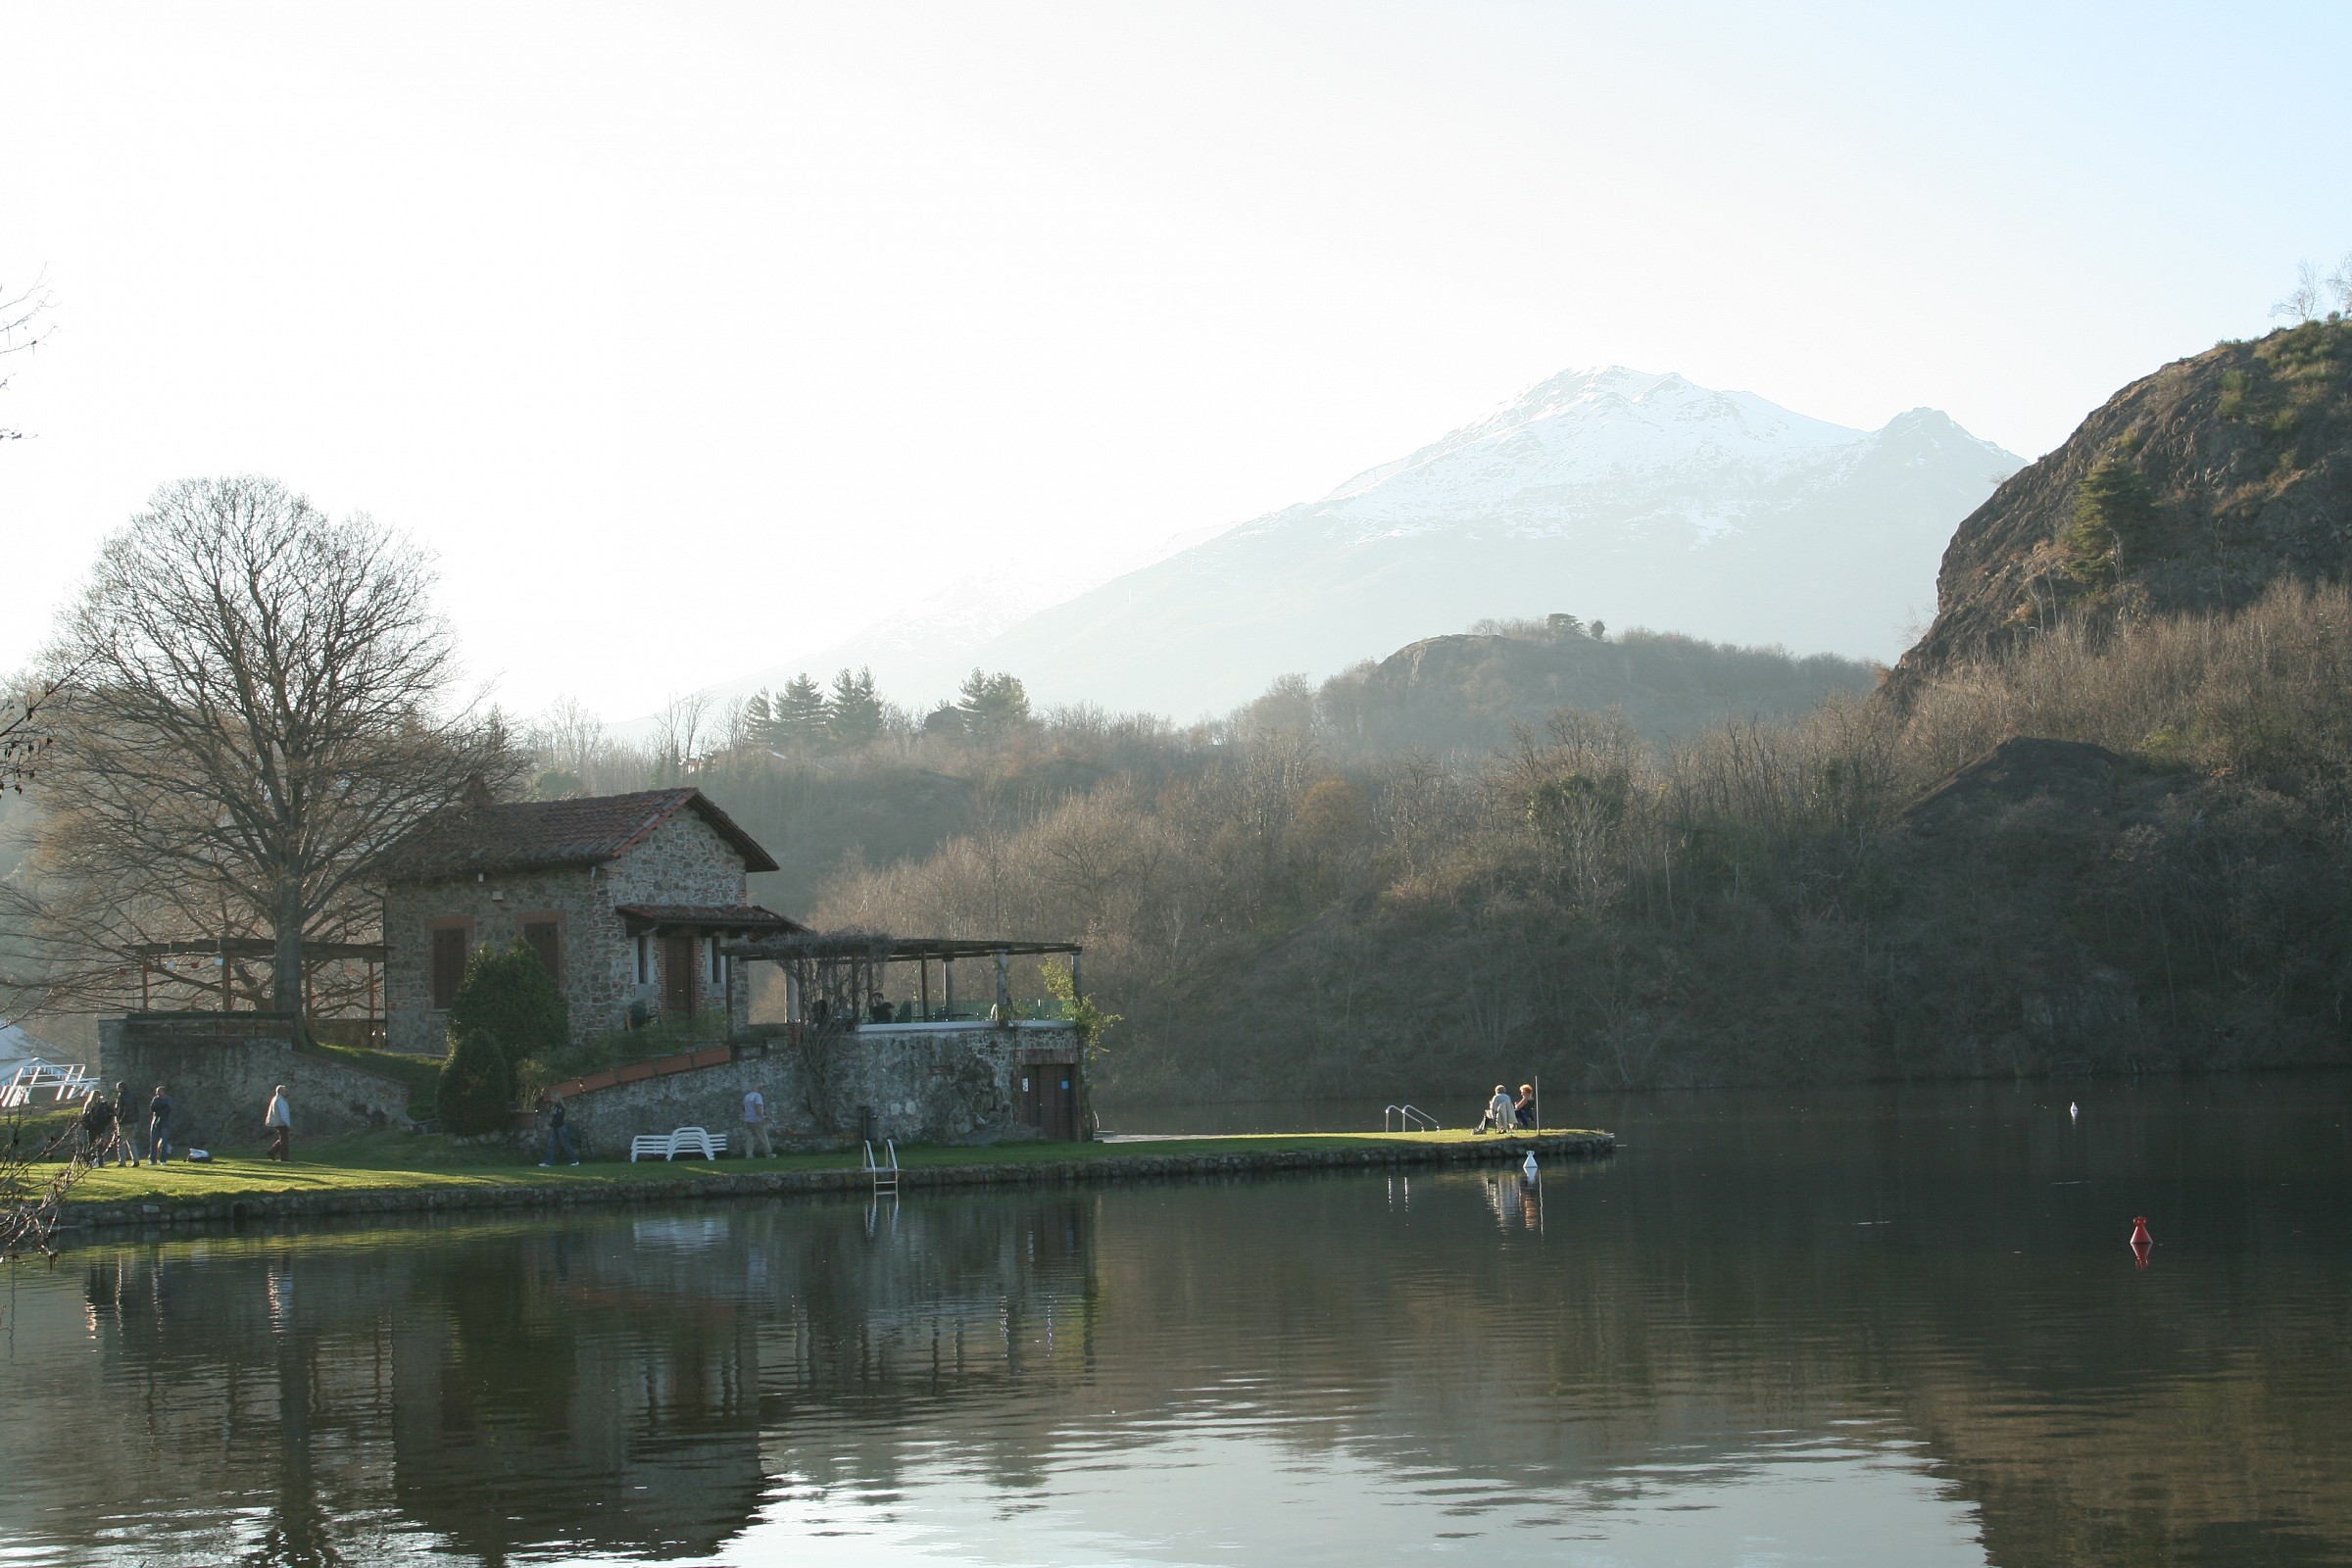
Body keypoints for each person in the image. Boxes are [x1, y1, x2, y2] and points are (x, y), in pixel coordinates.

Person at [538, 1093, 579, 1166]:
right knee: (551, 1144)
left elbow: (558, 1119)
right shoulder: (555, 1107)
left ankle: (575, 1160)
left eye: (552, 1098)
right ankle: (548, 1162)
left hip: (560, 1127)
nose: (551, 1100)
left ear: (556, 1099)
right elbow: (554, 1118)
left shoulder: (560, 1107)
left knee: (565, 1144)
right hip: (555, 1127)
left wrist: (550, 1126)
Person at [77, 1090, 115, 1166]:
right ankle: (97, 1162)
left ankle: (90, 1162)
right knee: (97, 1145)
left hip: (94, 1127)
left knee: (93, 1144)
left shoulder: (91, 1104)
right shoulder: (100, 1105)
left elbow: (84, 1116)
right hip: (97, 1127)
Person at [107, 1080, 138, 1164]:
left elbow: (120, 1110)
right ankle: (136, 1159)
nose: (117, 1089)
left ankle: (122, 1161)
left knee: (121, 1142)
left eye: (118, 1088)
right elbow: (136, 1109)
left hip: (124, 1122)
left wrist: (118, 1120)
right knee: (131, 1141)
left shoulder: (121, 1097)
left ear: (121, 1088)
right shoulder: (132, 1096)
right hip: (133, 1121)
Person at [741, 1087, 774, 1158]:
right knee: (762, 1136)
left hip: (747, 1119)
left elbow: (743, 1107)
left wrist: (748, 1112)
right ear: (759, 1090)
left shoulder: (747, 1096)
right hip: (756, 1119)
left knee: (749, 1138)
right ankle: (768, 1153)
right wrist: (762, 1117)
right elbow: (758, 1106)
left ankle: (749, 1155)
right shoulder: (758, 1096)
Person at [264, 1084, 292, 1161]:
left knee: (283, 1139)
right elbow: (283, 1113)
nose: (286, 1092)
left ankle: (271, 1152)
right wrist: (288, 1124)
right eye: (284, 1091)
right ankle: (284, 1157)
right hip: (281, 1123)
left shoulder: (276, 1099)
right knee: (284, 1141)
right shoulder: (280, 1100)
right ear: (280, 1091)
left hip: (278, 1122)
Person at [146, 1085, 173, 1165]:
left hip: (165, 1123)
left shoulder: (168, 1099)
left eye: (159, 1091)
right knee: (153, 1142)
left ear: (163, 1092)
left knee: (164, 1143)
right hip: (155, 1122)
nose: (157, 1093)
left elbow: (168, 1109)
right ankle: (152, 1160)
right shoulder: (155, 1099)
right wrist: (161, 1106)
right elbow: (152, 1108)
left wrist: (160, 1107)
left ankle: (163, 1160)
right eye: (157, 1092)